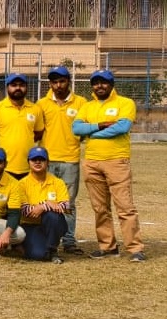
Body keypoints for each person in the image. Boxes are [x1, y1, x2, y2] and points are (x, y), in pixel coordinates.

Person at [71, 69, 145, 262]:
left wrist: (92, 134)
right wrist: (100, 125)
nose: (99, 86)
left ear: (111, 84)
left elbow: (122, 127)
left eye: (104, 82)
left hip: (117, 161)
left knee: (125, 207)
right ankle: (107, 247)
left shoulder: (125, 103)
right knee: (100, 208)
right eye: (96, 83)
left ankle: (135, 249)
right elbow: (76, 128)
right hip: (91, 162)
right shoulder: (87, 106)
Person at [35, 66, 88, 255]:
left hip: (70, 161)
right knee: (45, 201)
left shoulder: (81, 103)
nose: (58, 85)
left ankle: (69, 241)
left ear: (69, 82)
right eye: (54, 82)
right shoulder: (41, 104)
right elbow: (37, 131)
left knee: (68, 203)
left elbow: (84, 131)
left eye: (62, 81)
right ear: (50, 84)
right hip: (47, 161)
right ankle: (47, 239)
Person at [18, 147, 71, 263]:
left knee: (53, 216)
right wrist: (47, 204)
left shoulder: (58, 182)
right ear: (28, 162)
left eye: (41, 159)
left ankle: (52, 249)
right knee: (38, 255)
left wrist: (43, 206)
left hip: (51, 224)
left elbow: (66, 207)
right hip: (29, 225)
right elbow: (25, 210)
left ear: (48, 162)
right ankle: (25, 245)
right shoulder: (21, 184)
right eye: (34, 159)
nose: (37, 162)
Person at [0, 73, 45, 179]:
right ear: (7, 87)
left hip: (29, 166)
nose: (18, 88)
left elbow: (39, 133)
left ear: (26, 87)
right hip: (4, 166)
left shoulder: (35, 109)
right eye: (14, 85)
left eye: (21, 85)